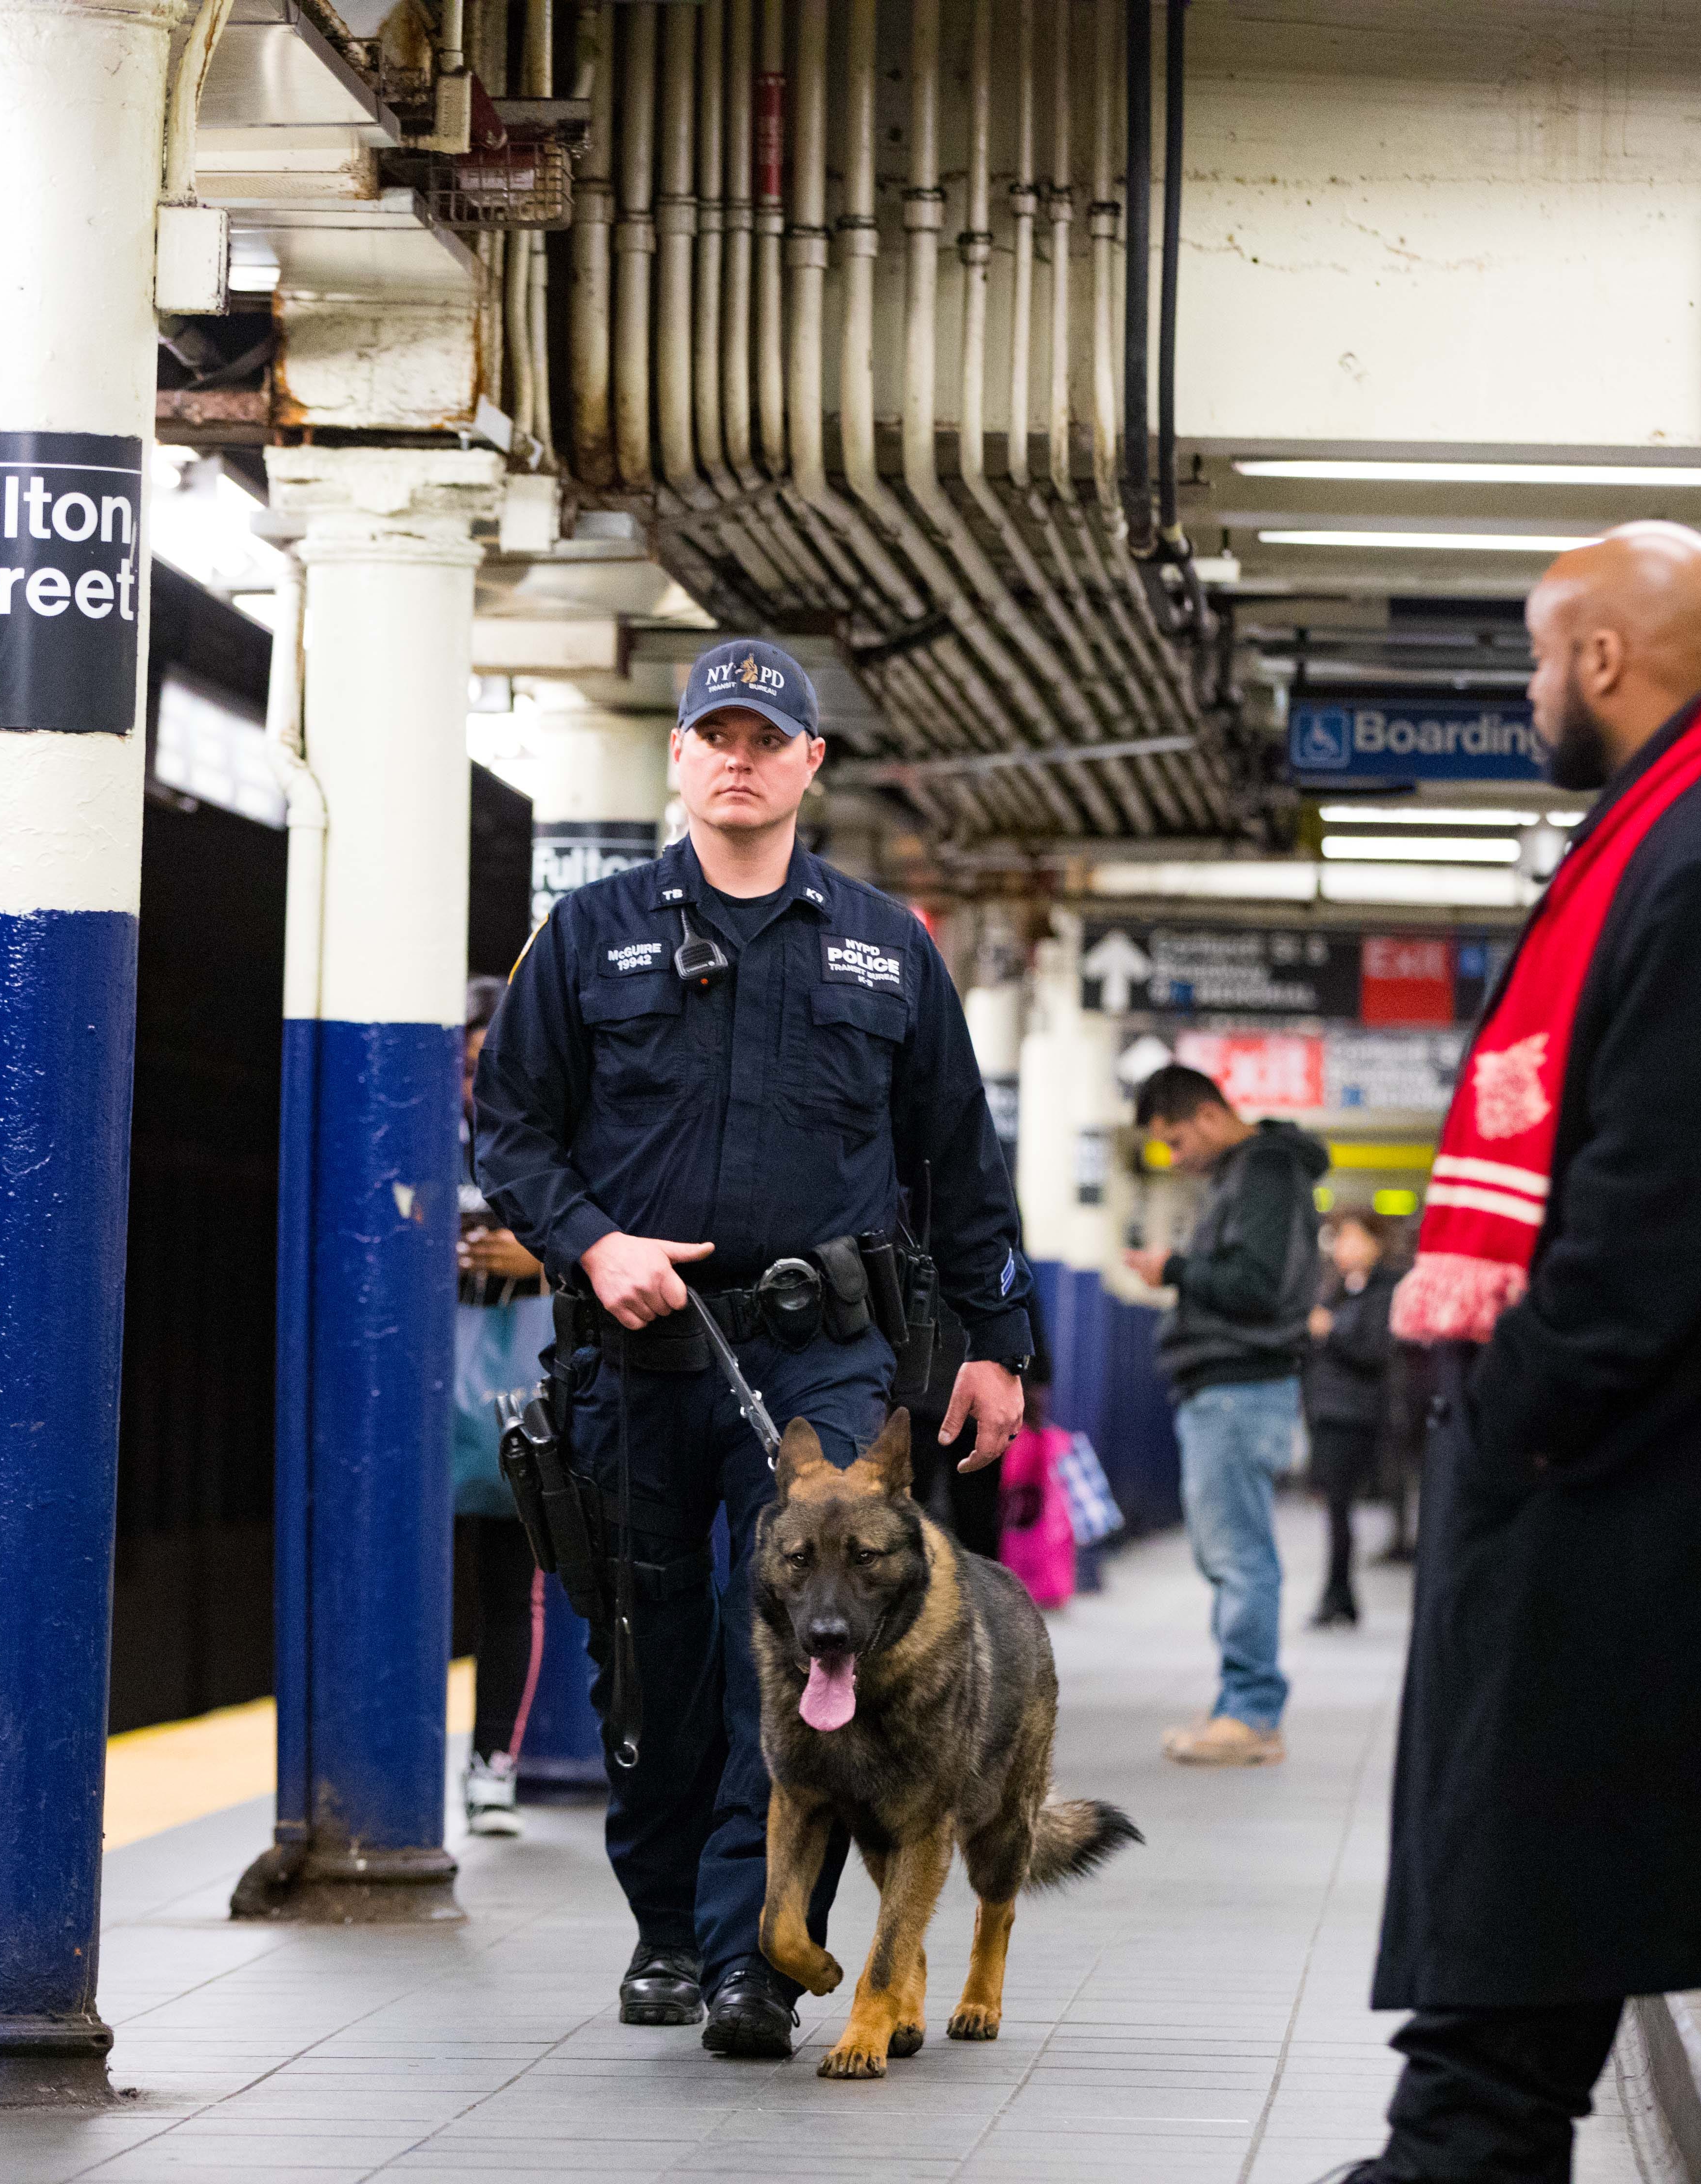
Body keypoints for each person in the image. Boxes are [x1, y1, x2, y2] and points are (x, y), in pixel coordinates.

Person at [1346, 525, 1701, 2184]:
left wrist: (1513, 1412)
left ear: (1599, 662)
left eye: (1532, 659)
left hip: (1619, 1498)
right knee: (1514, 1971)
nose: (1526, 694)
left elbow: (1656, 1217)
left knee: (1512, 1970)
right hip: (1622, 1487)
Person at [472, 635, 1035, 2061]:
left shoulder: (883, 945)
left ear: (807, 766)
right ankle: (666, 1921)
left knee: (792, 1644)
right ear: (676, 756)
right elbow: (510, 1133)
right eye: (712, 733)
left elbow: (959, 1163)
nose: (737, 755)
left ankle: (752, 1957)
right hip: (638, 1351)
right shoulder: (589, 934)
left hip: (825, 1358)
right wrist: (596, 1242)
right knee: (650, 1646)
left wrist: (993, 1343)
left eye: (764, 737)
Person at [1122, 1065, 1330, 1766]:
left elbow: (1257, 1286)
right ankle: (1238, 1705)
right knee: (1229, 1554)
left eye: (1177, 1141)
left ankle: (1251, 1712)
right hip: (1230, 1387)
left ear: (1209, 1115)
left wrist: (1175, 1268)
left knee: (1240, 1556)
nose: (1176, 1159)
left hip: (1240, 1387)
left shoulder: (1265, 1170)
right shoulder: (1250, 1173)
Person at [453, 975, 554, 1837]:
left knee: (506, 1584)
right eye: (467, 1066)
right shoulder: (413, 1136)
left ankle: (493, 1762)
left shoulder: (552, 1146)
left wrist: (541, 1262)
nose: (479, 1089)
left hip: (511, 1392)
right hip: (422, 1381)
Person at [1303, 1210, 1399, 1630]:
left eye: (1356, 1239)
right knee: (1334, 1507)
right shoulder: (1334, 1291)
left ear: (1376, 1244)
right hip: (1326, 1410)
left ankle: (1338, 1593)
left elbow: (1376, 1350)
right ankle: (1339, 1594)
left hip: (1356, 1415)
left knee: (1341, 1506)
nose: (1347, 1248)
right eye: (1342, 1240)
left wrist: (1331, 1330)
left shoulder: (1386, 1291)